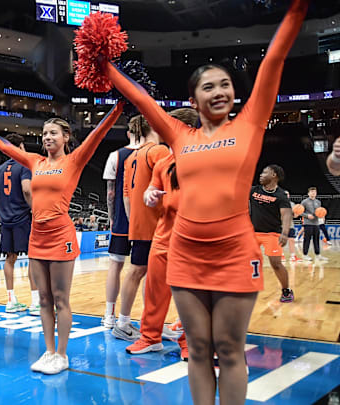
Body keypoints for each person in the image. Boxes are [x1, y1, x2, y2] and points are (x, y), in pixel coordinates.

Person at [105, 1, 308, 402]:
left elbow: (274, 59)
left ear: (234, 94)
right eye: (208, 86)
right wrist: (104, 63)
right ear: (194, 102)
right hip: (184, 253)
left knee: (229, 351)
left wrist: (298, 8)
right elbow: (142, 100)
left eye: (225, 84)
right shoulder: (180, 135)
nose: (219, 91)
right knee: (197, 351)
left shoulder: (250, 124)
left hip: (235, 252)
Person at [0, 103, 124, 375]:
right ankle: (48, 351)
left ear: (66, 137)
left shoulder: (73, 161)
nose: (47, 137)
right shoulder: (35, 161)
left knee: (61, 298)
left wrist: (119, 107)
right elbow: (6, 148)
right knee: (44, 298)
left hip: (61, 234)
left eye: (53, 133)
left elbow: (97, 133)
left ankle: (62, 354)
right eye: (44, 133)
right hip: (36, 235)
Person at [125, 108, 197, 356]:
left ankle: (190, 342)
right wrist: (150, 196)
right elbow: (149, 193)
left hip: (193, 237)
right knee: (155, 291)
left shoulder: (203, 159)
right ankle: (150, 337)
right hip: (163, 236)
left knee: (190, 294)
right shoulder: (163, 162)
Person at [112, 115, 170, 342]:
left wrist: (135, 220)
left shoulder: (130, 157)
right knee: (144, 273)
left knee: (140, 272)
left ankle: (143, 322)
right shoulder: (160, 152)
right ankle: (128, 324)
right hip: (157, 222)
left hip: (137, 221)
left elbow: (126, 196)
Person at [0, 133, 39, 315]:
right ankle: (35, 302)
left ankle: (10, 300)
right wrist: (34, 209)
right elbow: (26, 189)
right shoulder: (24, 165)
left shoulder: (0, 168)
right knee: (33, 258)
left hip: (6, 220)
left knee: (10, 259)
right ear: (20, 147)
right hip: (23, 218)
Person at [102, 118, 141, 328]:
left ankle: (109, 315)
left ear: (128, 133)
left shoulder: (115, 156)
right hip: (146, 219)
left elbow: (110, 192)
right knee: (147, 270)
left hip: (121, 220)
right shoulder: (156, 152)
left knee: (115, 266)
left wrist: (111, 217)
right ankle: (148, 318)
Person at [249, 165, 294, 303]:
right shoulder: (253, 190)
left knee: (275, 264)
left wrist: (285, 233)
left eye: (265, 172)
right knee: (241, 261)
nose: (261, 175)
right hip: (252, 233)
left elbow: (286, 215)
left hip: (272, 234)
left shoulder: (281, 195)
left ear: (274, 175)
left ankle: (286, 291)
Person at [300, 187, 326, 262]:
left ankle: (318, 255)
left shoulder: (318, 202)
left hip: (316, 223)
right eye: (311, 192)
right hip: (308, 223)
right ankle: (305, 255)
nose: (313, 193)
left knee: (316, 239)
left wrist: (322, 216)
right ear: (308, 193)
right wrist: (307, 216)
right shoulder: (304, 202)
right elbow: (300, 212)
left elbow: (320, 211)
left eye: (314, 192)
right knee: (307, 239)